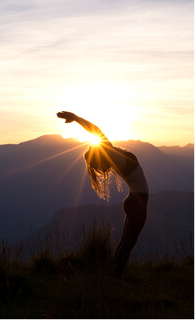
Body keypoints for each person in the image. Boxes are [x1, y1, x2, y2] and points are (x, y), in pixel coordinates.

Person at [57, 111, 149, 279]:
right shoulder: (113, 156)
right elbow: (96, 131)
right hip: (137, 202)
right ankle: (116, 277)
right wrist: (76, 119)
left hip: (136, 201)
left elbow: (97, 133)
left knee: (128, 241)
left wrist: (76, 119)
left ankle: (116, 275)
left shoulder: (114, 154)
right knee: (128, 242)